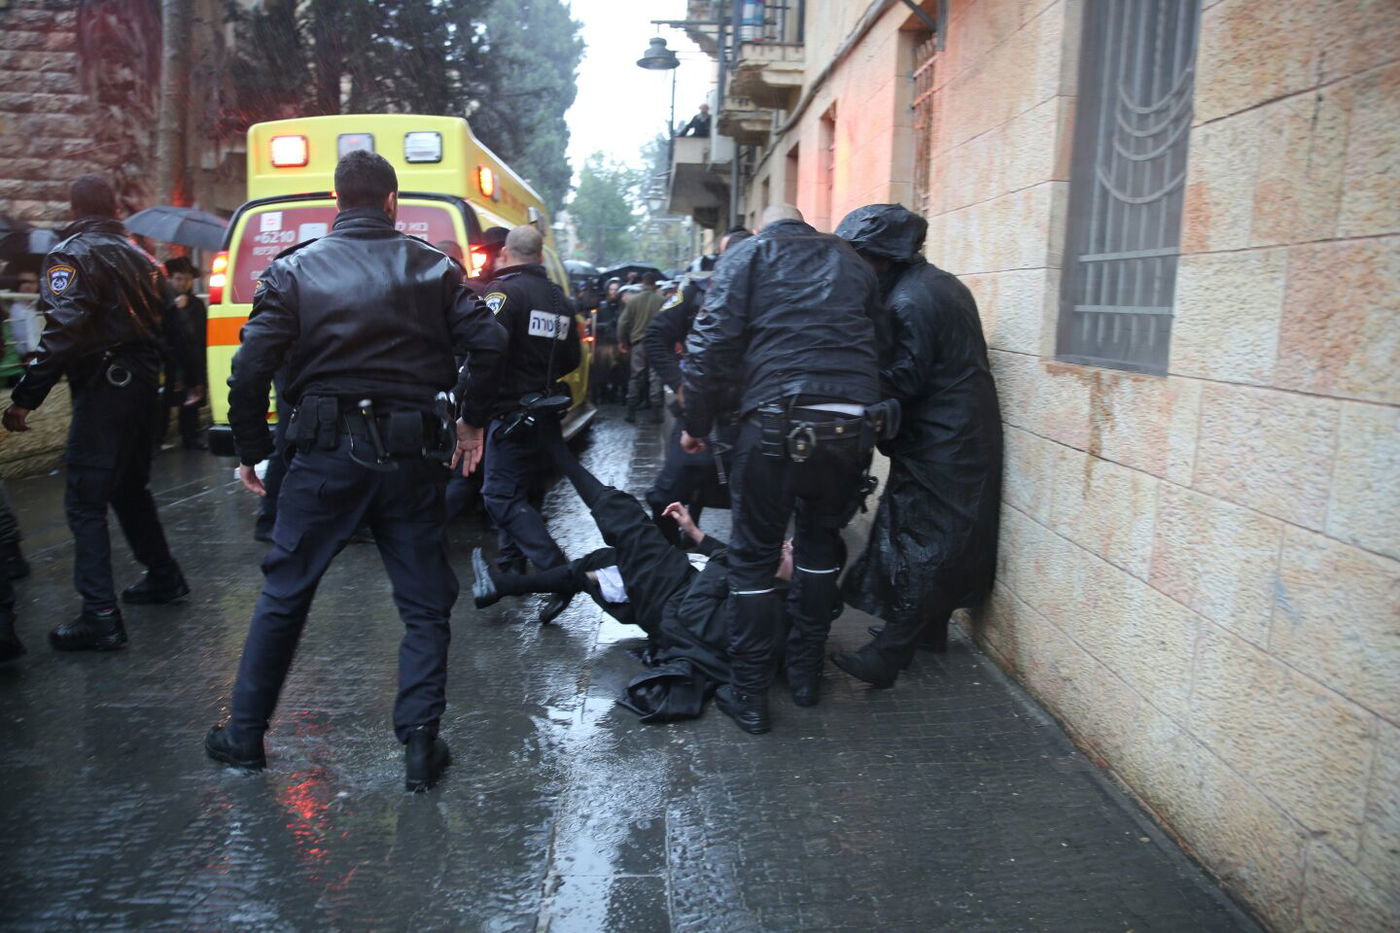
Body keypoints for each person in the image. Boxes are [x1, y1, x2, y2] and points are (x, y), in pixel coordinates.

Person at [203, 150, 508, 791]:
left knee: (285, 595)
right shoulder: (436, 270)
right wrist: (471, 420)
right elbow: (491, 342)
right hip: (412, 461)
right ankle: (421, 743)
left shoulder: (292, 272)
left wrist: (253, 452)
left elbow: (249, 368)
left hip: (320, 457)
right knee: (425, 602)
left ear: (336, 204)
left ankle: (246, 737)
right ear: (393, 202)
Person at [681, 203, 889, 734]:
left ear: (765, 227)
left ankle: (749, 695)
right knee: (820, 547)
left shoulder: (747, 255)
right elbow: (879, 341)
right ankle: (805, 679)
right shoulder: (853, 262)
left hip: (773, 424)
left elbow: (710, 344)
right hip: (849, 429)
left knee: (753, 558)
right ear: (804, 224)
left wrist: (696, 421)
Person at [468, 418, 793, 722]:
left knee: (626, 519)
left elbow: (698, 614)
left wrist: (712, 569)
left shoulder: (771, 606)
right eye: (787, 543)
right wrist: (696, 534)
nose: (784, 546)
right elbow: (727, 564)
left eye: (791, 551)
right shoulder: (764, 584)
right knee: (598, 563)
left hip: (674, 600)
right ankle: (500, 586)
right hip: (675, 594)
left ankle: (555, 446)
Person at [2, 175, 195, 652]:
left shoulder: (72, 254)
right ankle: (164, 576)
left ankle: (100, 614)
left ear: (74, 206)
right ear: (113, 207)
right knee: (129, 488)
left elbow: (62, 331)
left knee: (85, 499)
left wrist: (26, 396)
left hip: (107, 388)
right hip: (143, 387)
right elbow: (178, 329)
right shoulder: (145, 259)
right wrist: (186, 383)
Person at [831, 204, 1003, 688]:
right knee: (923, 533)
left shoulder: (911, 302)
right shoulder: (939, 285)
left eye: (859, 258)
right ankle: (926, 633)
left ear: (883, 257)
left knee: (924, 543)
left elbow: (904, 379)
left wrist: (845, 382)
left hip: (944, 440)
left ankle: (889, 653)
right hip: (953, 434)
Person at [478, 224, 581, 625]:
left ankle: (557, 573)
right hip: (546, 409)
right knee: (526, 495)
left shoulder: (505, 294)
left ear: (506, 252)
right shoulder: (560, 300)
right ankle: (510, 567)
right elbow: (572, 357)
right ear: (539, 256)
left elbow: (485, 349)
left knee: (499, 495)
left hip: (510, 411)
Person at [640, 229, 752, 545]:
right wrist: (678, 384)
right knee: (663, 498)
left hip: (753, 421)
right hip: (702, 416)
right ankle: (673, 562)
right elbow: (655, 337)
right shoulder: (698, 292)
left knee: (753, 508)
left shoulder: (775, 297)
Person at [158, 256, 208, 450]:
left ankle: (190, 436)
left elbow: (200, 331)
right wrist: (175, 309)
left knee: (192, 398)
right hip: (169, 357)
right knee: (163, 401)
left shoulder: (195, 303)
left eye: (187, 279)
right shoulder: (163, 300)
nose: (183, 283)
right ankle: (158, 438)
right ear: (170, 279)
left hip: (191, 358)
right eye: (178, 279)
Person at [618, 271, 665, 423]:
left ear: (642, 283)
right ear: (654, 284)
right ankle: (656, 413)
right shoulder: (661, 301)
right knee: (655, 377)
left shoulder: (633, 301)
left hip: (638, 344)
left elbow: (622, 323)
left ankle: (631, 412)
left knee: (636, 377)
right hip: (657, 344)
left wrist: (622, 341)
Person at [593, 279, 626, 404]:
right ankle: (604, 393)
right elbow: (594, 324)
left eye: (616, 290)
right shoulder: (601, 306)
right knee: (602, 370)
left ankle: (618, 393)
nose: (613, 292)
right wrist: (604, 326)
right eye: (611, 289)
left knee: (620, 371)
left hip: (618, 343)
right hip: (604, 344)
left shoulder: (622, 307)